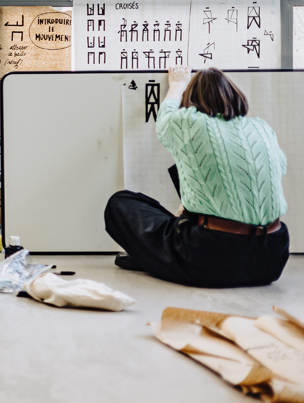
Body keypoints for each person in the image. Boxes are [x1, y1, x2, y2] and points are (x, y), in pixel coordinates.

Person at [105, 66, 290, 288]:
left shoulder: (188, 121)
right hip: (272, 258)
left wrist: (177, 84)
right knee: (188, 172)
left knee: (119, 203)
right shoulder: (261, 127)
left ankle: (154, 258)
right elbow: (280, 167)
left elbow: (164, 117)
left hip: (213, 257)